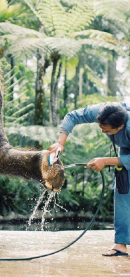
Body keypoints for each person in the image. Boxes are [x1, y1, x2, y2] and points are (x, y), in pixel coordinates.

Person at [49, 101, 130, 257]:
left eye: (105, 130)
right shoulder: (105, 111)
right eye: (100, 127)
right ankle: (121, 245)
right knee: (122, 191)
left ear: (119, 127)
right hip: (125, 149)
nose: (102, 132)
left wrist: (106, 161)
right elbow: (72, 116)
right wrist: (60, 143)